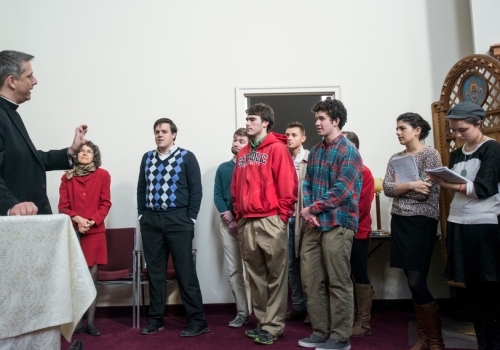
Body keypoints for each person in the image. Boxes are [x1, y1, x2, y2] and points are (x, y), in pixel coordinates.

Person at [427, 102, 500, 349]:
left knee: (491, 292)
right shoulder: (458, 153)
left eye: (463, 129)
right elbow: (461, 187)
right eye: (454, 130)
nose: (457, 135)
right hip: (459, 224)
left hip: (485, 226)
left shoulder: (492, 149)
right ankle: (483, 344)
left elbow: (483, 189)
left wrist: (446, 183)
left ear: (479, 124)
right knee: (473, 293)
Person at [231, 103, 297, 345]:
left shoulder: (278, 149)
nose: (247, 123)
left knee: (276, 276)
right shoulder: (242, 153)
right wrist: (239, 214)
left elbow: (288, 186)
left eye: (252, 119)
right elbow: (235, 188)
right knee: (256, 277)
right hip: (247, 221)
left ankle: (274, 326)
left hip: (271, 219)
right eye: (247, 119)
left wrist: (282, 217)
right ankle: (262, 322)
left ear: (265, 123)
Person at [298, 99, 362, 350]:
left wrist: (313, 208)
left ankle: (340, 336)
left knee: (338, 281)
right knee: (311, 280)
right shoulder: (314, 151)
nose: (317, 122)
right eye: (317, 118)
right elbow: (308, 185)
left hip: (338, 222)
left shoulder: (349, 151)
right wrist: (310, 212)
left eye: (322, 118)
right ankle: (320, 331)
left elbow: (341, 191)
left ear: (336, 121)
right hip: (314, 224)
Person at [137, 118, 208, 337]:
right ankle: (155, 320)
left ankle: (198, 322)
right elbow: (141, 188)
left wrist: (191, 219)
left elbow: (196, 191)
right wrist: (142, 214)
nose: (160, 135)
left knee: (185, 272)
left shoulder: (187, 157)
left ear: (173, 134)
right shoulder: (147, 158)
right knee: (155, 273)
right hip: (151, 221)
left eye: (164, 131)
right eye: (157, 131)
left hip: (178, 220)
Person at [383, 112, 444, 350]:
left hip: (422, 221)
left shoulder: (430, 154)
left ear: (417, 130)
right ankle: (425, 336)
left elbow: (427, 191)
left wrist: (403, 189)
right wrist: (409, 185)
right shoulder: (395, 157)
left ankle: (435, 338)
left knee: (417, 280)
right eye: (396, 129)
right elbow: (388, 188)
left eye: (402, 128)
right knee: (410, 280)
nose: (398, 133)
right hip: (400, 221)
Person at [0, 50, 88, 216]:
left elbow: (26, 160)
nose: (35, 81)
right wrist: (10, 205)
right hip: (16, 221)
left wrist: (70, 152)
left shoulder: (10, 113)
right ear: (11, 81)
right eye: (29, 76)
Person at [58, 141, 112, 336]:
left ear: (94, 156)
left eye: (89, 151)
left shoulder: (103, 175)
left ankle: (90, 322)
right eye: (81, 150)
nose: (85, 153)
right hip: (72, 231)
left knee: (91, 277)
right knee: (73, 278)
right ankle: (76, 322)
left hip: (94, 232)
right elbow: (62, 206)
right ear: (76, 155)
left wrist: (91, 221)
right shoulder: (67, 176)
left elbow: (105, 203)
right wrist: (77, 218)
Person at [214, 127, 250, 328]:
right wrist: (228, 216)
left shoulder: (252, 166)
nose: (236, 143)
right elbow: (217, 194)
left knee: (254, 269)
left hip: (248, 223)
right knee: (234, 270)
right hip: (227, 224)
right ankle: (242, 312)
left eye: (241, 140)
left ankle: (261, 315)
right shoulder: (223, 168)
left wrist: (239, 217)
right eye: (235, 139)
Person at [342, 131, 375, 338]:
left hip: (357, 232)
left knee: (359, 273)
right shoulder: (337, 170)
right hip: (336, 231)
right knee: (340, 276)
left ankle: (363, 321)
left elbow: (361, 207)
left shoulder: (365, 173)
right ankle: (344, 318)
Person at [284, 121, 310, 324]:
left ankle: (312, 308)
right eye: (287, 135)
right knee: (290, 265)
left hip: (304, 218)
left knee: (308, 264)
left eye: (294, 135)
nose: (289, 138)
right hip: (286, 218)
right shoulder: (281, 157)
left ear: (303, 138)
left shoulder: (310, 158)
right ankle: (298, 306)